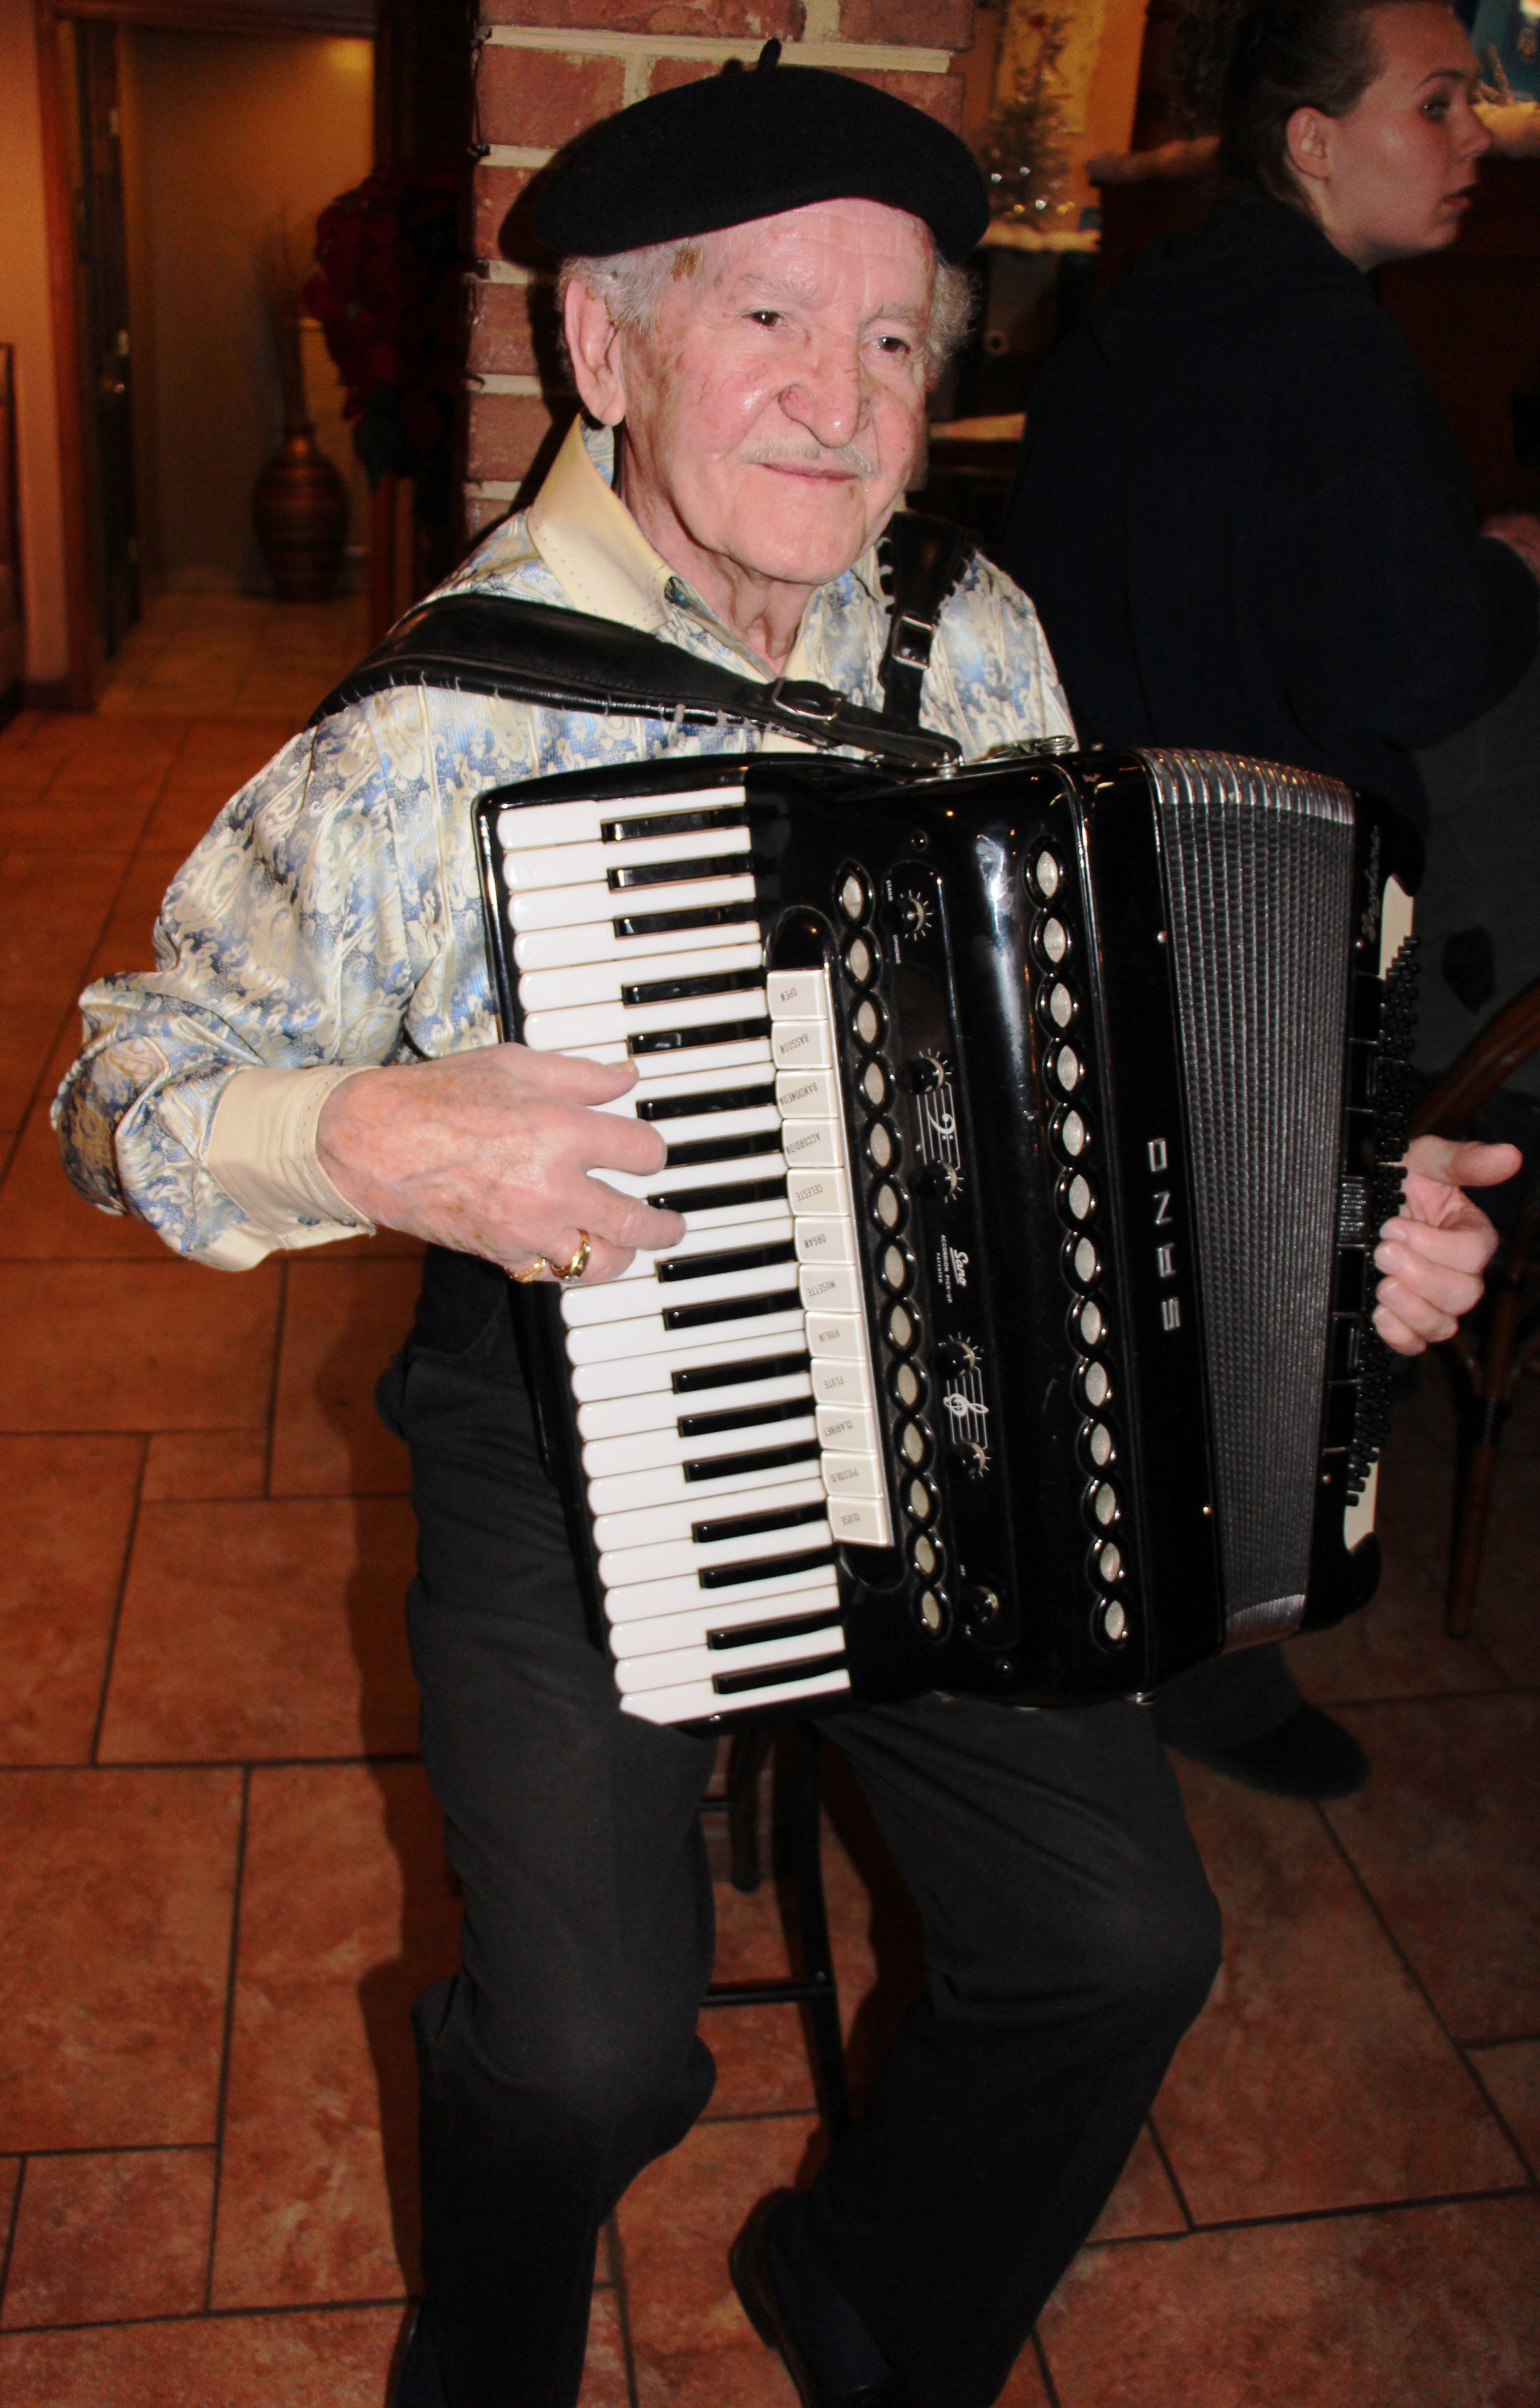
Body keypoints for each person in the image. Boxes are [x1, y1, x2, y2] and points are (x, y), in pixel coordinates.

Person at [55, 53, 1514, 2408]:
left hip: (943, 1410)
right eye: (768, 324)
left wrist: (1339, 1224)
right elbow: (117, 1091)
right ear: (607, 349)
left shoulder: (973, 629)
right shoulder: (439, 732)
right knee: (588, 2053)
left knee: (1124, 1941)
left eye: (894, 341)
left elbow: (1109, 1043)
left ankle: (864, 2294)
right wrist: (381, 1136)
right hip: (561, 1420)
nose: (840, 405)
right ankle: (484, 2348)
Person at [999, 0, 1539, 1805]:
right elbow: (1407, 659)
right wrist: (1507, 571)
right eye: (1437, 104)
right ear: (1313, 141)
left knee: (1150, 1286)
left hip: (1097, 857)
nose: (1474, 140)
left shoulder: (1138, 307)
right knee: (1274, 1304)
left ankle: (1118, 1631)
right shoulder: (1330, 343)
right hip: (1264, 900)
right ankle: (1210, 1670)